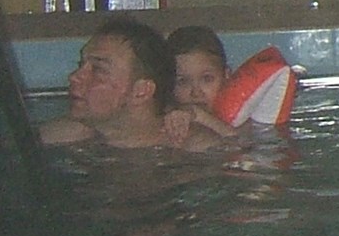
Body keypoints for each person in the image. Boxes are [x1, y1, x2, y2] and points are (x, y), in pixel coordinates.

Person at [39, 18, 223, 151]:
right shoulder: (60, 136)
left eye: (98, 69)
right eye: (80, 65)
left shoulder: (197, 149)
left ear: (141, 91)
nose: (74, 77)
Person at [166, 24, 239, 139]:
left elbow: (241, 146)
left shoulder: (243, 117)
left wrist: (200, 115)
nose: (196, 93)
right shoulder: (166, 119)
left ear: (226, 76)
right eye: (183, 81)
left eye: (207, 79)